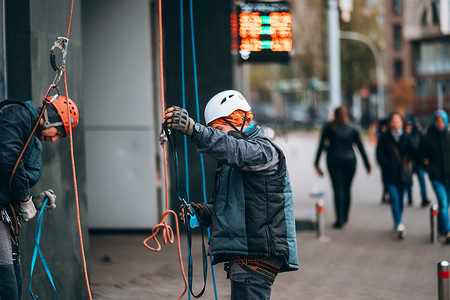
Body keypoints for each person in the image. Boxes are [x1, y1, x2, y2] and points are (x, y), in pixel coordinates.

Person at [164, 90, 298, 300]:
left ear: (239, 118)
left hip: (257, 254)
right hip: (246, 255)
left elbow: (236, 150)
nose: (218, 136)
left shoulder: (265, 151)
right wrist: (201, 212)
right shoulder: (232, 160)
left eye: (219, 129)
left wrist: (195, 131)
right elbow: (227, 206)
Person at [0, 95, 79, 300]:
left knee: (15, 284)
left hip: (5, 212)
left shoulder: (28, 131)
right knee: (7, 286)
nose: (54, 139)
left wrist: (32, 200)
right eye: (58, 133)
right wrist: (25, 198)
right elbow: (8, 160)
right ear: (52, 118)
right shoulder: (17, 116)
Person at [314, 106, 371, 229]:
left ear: (334, 115)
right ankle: (345, 217)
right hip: (350, 162)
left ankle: (339, 219)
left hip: (333, 161)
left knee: (337, 190)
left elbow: (321, 146)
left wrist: (316, 162)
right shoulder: (353, 128)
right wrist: (367, 165)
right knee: (347, 189)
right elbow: (361, 148)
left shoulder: (328, 127)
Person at [376, 112, 415, 239]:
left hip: (402, 174)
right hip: (389, 174)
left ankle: (397, 221)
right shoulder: (384, 137)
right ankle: (399, 223)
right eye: (393, 121)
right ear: (389, 123)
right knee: (394, 198)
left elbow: (414, 152)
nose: (395, 123)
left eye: (397, 121)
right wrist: (387, 165)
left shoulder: (406, 137)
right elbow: (379, 155)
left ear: (402, 123)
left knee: (401, 200)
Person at [419, 110, 450, 244]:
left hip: (449, 177)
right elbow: (420, 156)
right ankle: (447, 230)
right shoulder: (427, 138)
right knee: (442, 202)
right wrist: (429, 169)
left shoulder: (449, 137)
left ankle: (440, 228)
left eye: (442, 121)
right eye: (437, 121)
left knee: (446, 205)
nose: (440, 124)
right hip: (437, 177)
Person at [404, 114, 430, 207]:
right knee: (409, 181)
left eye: (411, 124)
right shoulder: (404, 135)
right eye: (408, 124)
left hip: (419, 161)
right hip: (409, 161)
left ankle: (424, 198)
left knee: (422, 180)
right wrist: (406, 134)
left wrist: (425, 158)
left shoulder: (418, 133)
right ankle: (410, 198)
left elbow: (422, 146)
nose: (409, 126)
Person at [376, 118, 390, 204]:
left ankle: (387, 195)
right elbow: (378, 151)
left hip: (390, 161)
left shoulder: (388, 135)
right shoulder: (380, 135)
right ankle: (385, 195)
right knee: (385, 179)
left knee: (388, 179)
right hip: (384, 162)